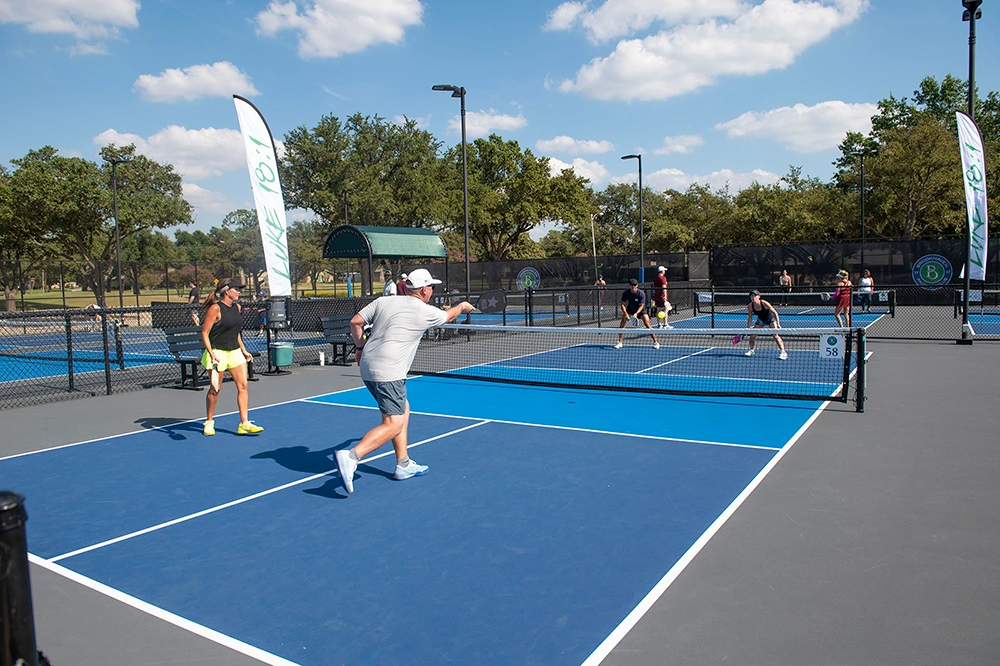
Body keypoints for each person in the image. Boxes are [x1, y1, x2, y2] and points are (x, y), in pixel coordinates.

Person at [335, 268, 476, 494]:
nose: (432, 290)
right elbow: (449, 316)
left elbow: (355, 322)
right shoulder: (424, 310)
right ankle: (351, 457)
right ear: (423, 290)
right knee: (394, 423)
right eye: (431, 287)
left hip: (368, 367)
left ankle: (403, 464)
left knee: (403, 409)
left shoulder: (383, 301)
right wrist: (462, 307)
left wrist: (359, 347)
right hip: (389, 372)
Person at [199, 279, 263, 437]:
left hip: (234, 352)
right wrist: (211, 353)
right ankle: (209, 421)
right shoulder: (215, 308)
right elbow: (205, 333)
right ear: (227, 291)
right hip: (218, 353)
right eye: (236, 289)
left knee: (243, 386)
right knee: (215, 390)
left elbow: (236, 333)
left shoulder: (237, 308)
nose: (239, 292)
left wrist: (244, 350)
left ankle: (244, 423)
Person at [615, 279, 659, 349]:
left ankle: (656, 342)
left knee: (648, 324)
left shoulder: (641, 293)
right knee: (622, 324)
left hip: (640, 311)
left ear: (637, 285)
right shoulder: (626, 293)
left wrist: (636, 313)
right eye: (631, 285)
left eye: (634, 285)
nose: (633, 286)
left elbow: (642, 305)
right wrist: (626, 314)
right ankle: (620, 342)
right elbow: (622, 304)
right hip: (630, 310)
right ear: (629, 285)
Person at [745, 290, 788, 359]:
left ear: (759, 296)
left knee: (775, 336)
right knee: (752, 336)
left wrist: (778, 323)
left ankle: (783, 352)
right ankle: (751, 350)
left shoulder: (764, 303)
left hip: (770, 319)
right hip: (761, 320)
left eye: (755, 295)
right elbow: (750, 317)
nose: (753, 297)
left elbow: (775, 312)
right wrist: (748, 328)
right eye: (751, 296)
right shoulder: (750, 306)